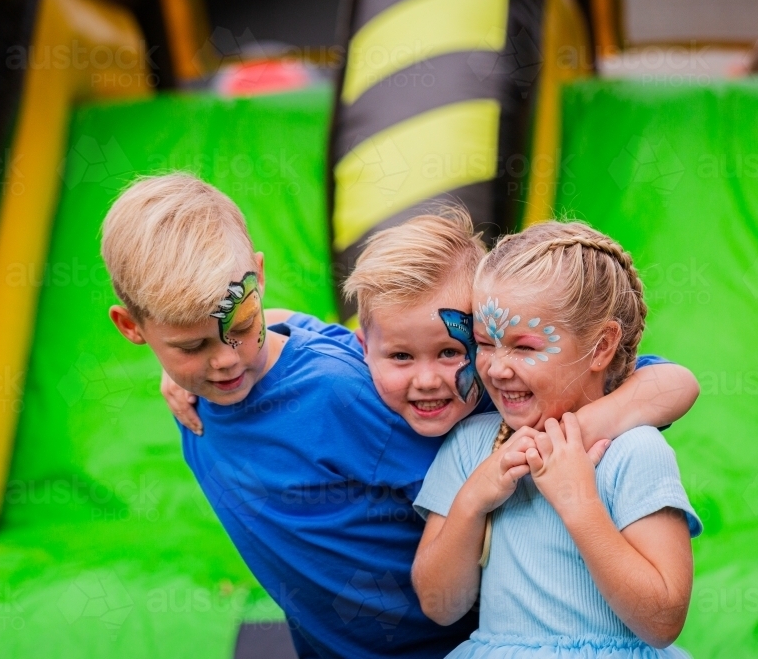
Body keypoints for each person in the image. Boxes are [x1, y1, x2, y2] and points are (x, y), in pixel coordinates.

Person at [103, 173, 698, 658]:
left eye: (239, 329)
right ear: (136, 329)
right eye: (191, 346)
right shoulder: (229, 371)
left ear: (256, 280)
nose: (225, 359)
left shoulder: (382, 395)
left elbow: (661, 379)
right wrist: (180, 370)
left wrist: (564, 436)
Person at [412, 221, 703, 658]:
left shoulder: (634, 452)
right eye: (485, 343)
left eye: (525, 347)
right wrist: (473, 500)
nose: (496, 368)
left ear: (602, 346)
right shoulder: (473, 446)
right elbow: (440, 606)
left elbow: (662, 621)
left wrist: (579, 503)